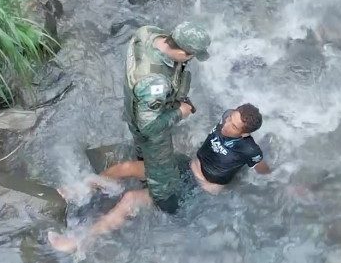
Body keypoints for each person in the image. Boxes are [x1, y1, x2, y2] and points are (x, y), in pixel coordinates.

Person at [48, 104, 272, 253]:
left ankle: (79, 241)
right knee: (126, 167)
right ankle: (81, 189)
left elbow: (263, 170)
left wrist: (271, 178)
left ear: (244, 133)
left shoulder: (249, 149)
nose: (226, 125)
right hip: (184, 164)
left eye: (233, 126)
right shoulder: (226, 118)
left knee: (130, 198)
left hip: (194, 188)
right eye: (229, 119)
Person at [123, 22, 211, 211]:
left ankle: (141, 161)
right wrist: (181, 112)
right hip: (150, 124)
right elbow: (149, 127)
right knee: (163, 177)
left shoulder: (148, 32)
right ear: (181, 53)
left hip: (135, 107)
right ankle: (164, 203)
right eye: (192, 56)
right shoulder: (155, 83)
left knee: (140, 145)